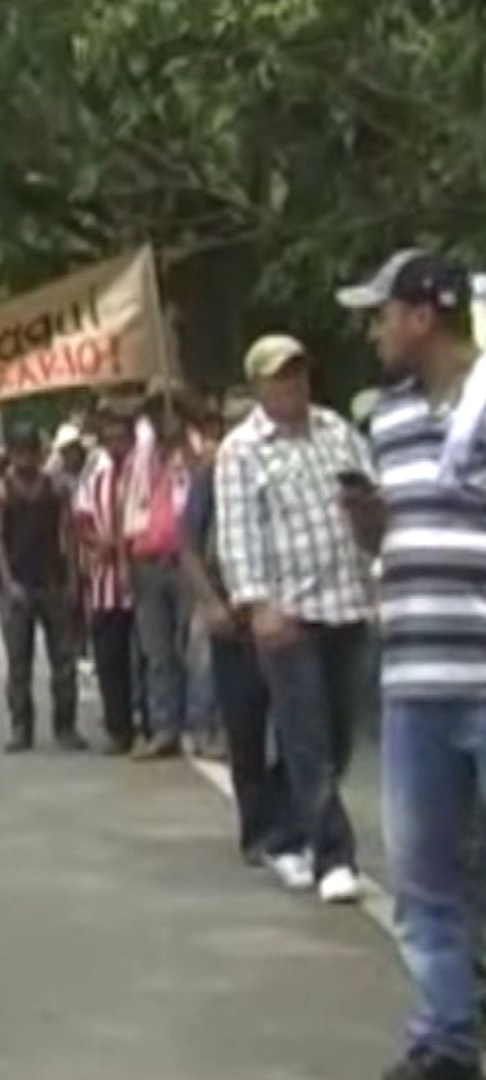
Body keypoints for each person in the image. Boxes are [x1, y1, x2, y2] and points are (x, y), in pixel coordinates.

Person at [335, 251, 486, 1080]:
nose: (373, 328)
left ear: (423, 316)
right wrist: (367, 522)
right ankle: (446, 1041)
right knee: (425, 875)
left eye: (381, 312)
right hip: (414, 679)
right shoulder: (385, 420)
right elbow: (389, 540)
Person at [215, 333, 373, 908]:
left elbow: (370, 504)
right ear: (258, 386)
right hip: (289, 612)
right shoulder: (241, 450)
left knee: (334, 735)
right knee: (307, 737)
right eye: (279, 376)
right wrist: (257, 603)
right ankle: (336, 854)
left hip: (348, 603)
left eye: (299, 373)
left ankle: (284, 831)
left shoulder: (337, 432)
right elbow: (236, 536)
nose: (292, 386)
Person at [182, 388, 295, 868]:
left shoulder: (286, 464)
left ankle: (294, 823)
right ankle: (258, 830)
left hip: (287, 610)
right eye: (229, 420)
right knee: (245, 729)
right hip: (233, 616)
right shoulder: (211, 472)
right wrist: (209, 603)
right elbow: (187, 543)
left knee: (299, 729)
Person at [0, 425, 84, 753]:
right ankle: (21, 728)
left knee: (64, 661)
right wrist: (7, 581)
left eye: (31, 452)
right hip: (18, 585)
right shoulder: (1, 492)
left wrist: (73, 577)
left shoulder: (55, 489)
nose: (26, 459)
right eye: (20, 453)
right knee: (19, 664)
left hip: (52, 581)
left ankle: (66, 726)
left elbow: (68, 534)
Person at [125, 389, 203, 760]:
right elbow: (129, 508)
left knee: (191, 648)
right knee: (156, 652)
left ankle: (199, 726)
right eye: (153, 415)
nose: (159, 421)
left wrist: (183, 448)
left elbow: (201, 482)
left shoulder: (197, 452)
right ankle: (164, 727)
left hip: (185, 560)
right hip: (147, 560)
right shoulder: (140, 458)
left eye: (165, 412)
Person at [75, 408, 143, 754]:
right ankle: (119, 728)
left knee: (145, 657)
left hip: (139, 576)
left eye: (122, 438)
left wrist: (126, 544)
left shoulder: (143, 468)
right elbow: (81, 517)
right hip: (105, 581)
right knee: (110, 659)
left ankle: (148, 722)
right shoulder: (96, 472)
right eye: (110, 438)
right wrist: (97, 544)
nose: (116, 445)